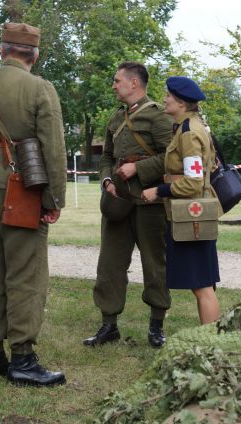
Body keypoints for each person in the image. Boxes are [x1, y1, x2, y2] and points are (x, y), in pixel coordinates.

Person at [0, 22, 67, 387]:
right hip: (19, 188)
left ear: (2, 50)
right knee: (25, 273)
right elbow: (52, 148)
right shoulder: (39, 88)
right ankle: (23, 358)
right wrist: (54, 198)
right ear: (34, 55)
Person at [83, 62, 173, 348]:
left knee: (155, 265)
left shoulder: (158, 117)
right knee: (109, 264)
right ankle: (109, 325)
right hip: (118, 201)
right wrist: (107, 179)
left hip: (150, 202)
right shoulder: (115, 117)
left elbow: (171, 157)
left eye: (117, 80)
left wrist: (139, 169)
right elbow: (106, 157)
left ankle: (156, 326)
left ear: (134, 83)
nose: (113, 85)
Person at [142, 76, 221, 325]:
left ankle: (210, 342)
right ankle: (210, 339)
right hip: (192, 214)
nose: (164, 99)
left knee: (202, 285)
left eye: (169, 96)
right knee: (202, 283)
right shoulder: (189, 126)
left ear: (181, 103)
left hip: (192, 216)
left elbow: (193, 181)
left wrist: (160, 190)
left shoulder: (188, 133)